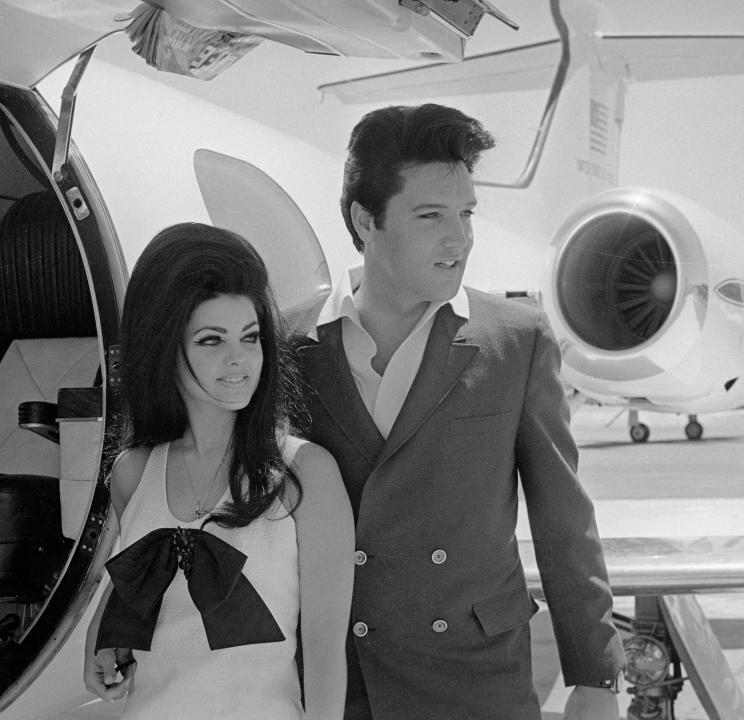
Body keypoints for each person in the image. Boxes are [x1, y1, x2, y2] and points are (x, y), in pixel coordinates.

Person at [293, 104, 626, 720]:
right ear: (366, 221)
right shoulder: (293, 347)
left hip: (477, 682)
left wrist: (595, 678)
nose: (460, 238)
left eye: (467, 213)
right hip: (340, 685)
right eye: (431, 216)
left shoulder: (517, 340)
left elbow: (563, 522)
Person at [83, 223, 355, 719]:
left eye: (250, 338)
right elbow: (141, 583)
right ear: (165, 348)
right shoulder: (133, 472)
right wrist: (101, 637)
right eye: (212, 340)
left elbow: (323, 648)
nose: (240, 360)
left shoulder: (304, 473)